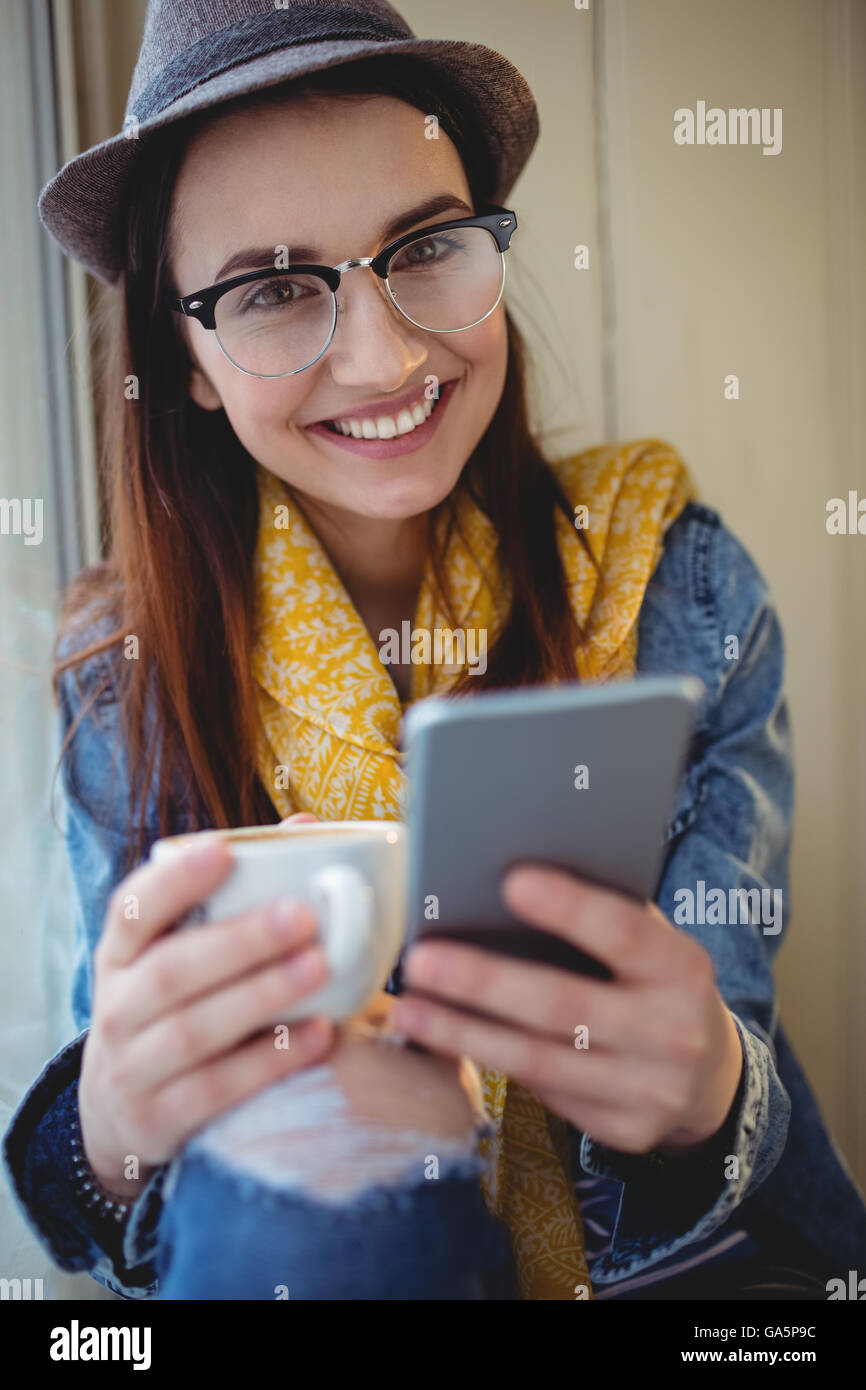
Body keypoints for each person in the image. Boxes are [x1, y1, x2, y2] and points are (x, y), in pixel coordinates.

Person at [4, 0, 865, 1301]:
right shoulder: (124, 671)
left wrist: (705, 1090)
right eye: (275, 288)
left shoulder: (672, 580)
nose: (386, 350)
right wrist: (116, 1125)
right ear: (184, 354)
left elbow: (736, 1068)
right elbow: (119, 1205)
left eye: (424, 248)